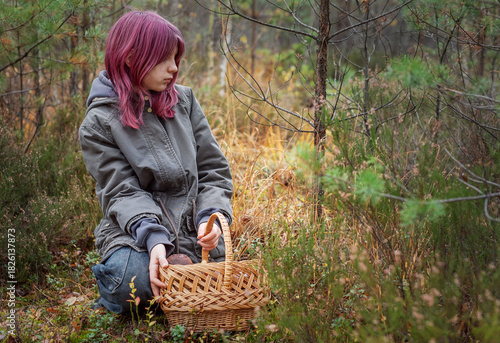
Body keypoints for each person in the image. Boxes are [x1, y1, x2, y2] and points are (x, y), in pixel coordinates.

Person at [79, 11, 233, 315]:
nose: (174, 68)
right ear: (130, 57)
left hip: (192, 230)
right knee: (131, 282)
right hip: (135, 233)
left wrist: (210, 217)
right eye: (164, 59)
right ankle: (153, 289)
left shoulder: (184, 102)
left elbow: (213, 170)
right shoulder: (98, 123)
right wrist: (154, 239)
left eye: (175, 58)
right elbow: (121, 192)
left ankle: (182, 287)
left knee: (222, 275)